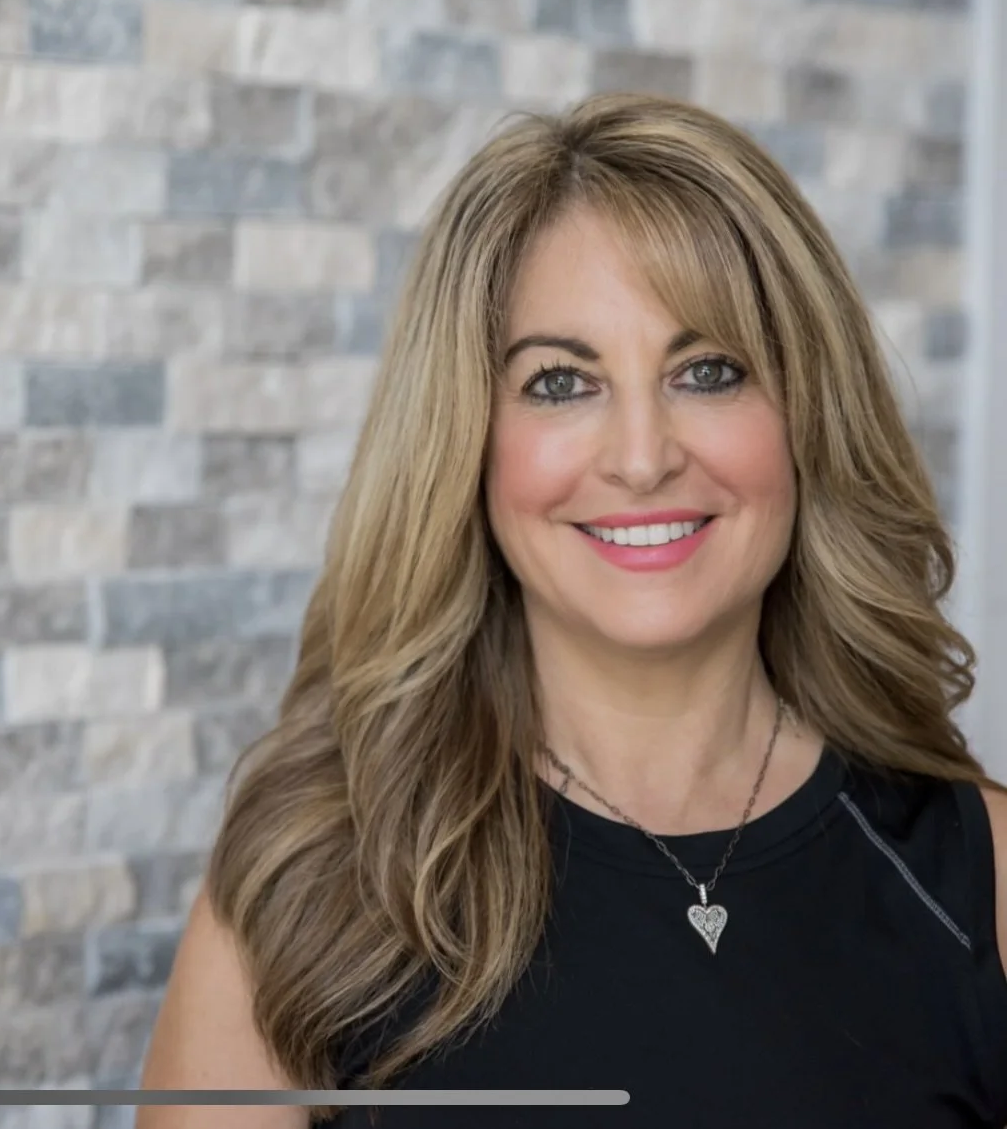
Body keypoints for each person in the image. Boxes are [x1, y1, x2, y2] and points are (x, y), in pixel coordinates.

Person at [133, 93, 1007, 1129]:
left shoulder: (978, 876)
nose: (641, 457)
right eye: (559, 383)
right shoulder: (315, 879)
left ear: (806, 415)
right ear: (467, 440)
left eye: (707, 371)